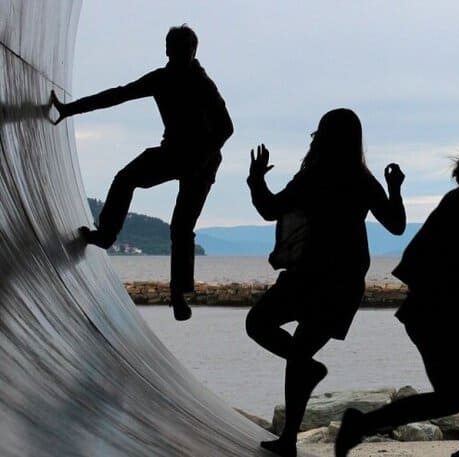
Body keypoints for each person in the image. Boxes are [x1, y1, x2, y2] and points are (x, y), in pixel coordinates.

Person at [335, 140, 459, 457]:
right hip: (441, 316)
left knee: (452, 398)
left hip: (432, 315)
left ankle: (361, 425)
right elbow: (458, 252)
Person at [246, 108, 406, 457]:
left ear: (322, 135)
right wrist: (395, 189)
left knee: (259, 325)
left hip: (309, 276)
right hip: (344, 282)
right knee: (299, 353)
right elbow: (396, 224)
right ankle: (291, 427)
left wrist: (256, 178)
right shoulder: (362, 179)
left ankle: (290, 435)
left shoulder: (313, 175)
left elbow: (270, 209)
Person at [49, 24, 233, 320]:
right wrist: (70, 109)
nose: (177, 55)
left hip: (203, 163)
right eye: (174, 50)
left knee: (181, 227)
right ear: (167, 50)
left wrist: (201, 158)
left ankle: (178, 295)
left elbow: (226, 127)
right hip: (173, 153)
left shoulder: (202, 83)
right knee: (126, 178)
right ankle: (106, 235)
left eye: (183, 51)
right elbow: (116, 95)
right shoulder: (161, 79)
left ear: (193, 51)